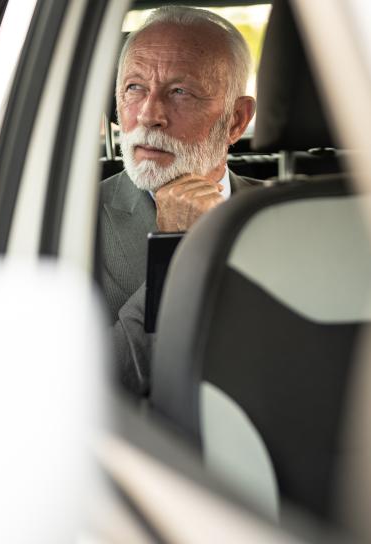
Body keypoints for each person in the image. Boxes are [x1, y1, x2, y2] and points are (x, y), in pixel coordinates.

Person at [97, 6, 258, 396]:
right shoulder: (68, 214)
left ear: (236, 120)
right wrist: (173, 252)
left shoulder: (288, 218)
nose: (149, 115)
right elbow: (98, 387)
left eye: (180, 92)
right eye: (134, 88)